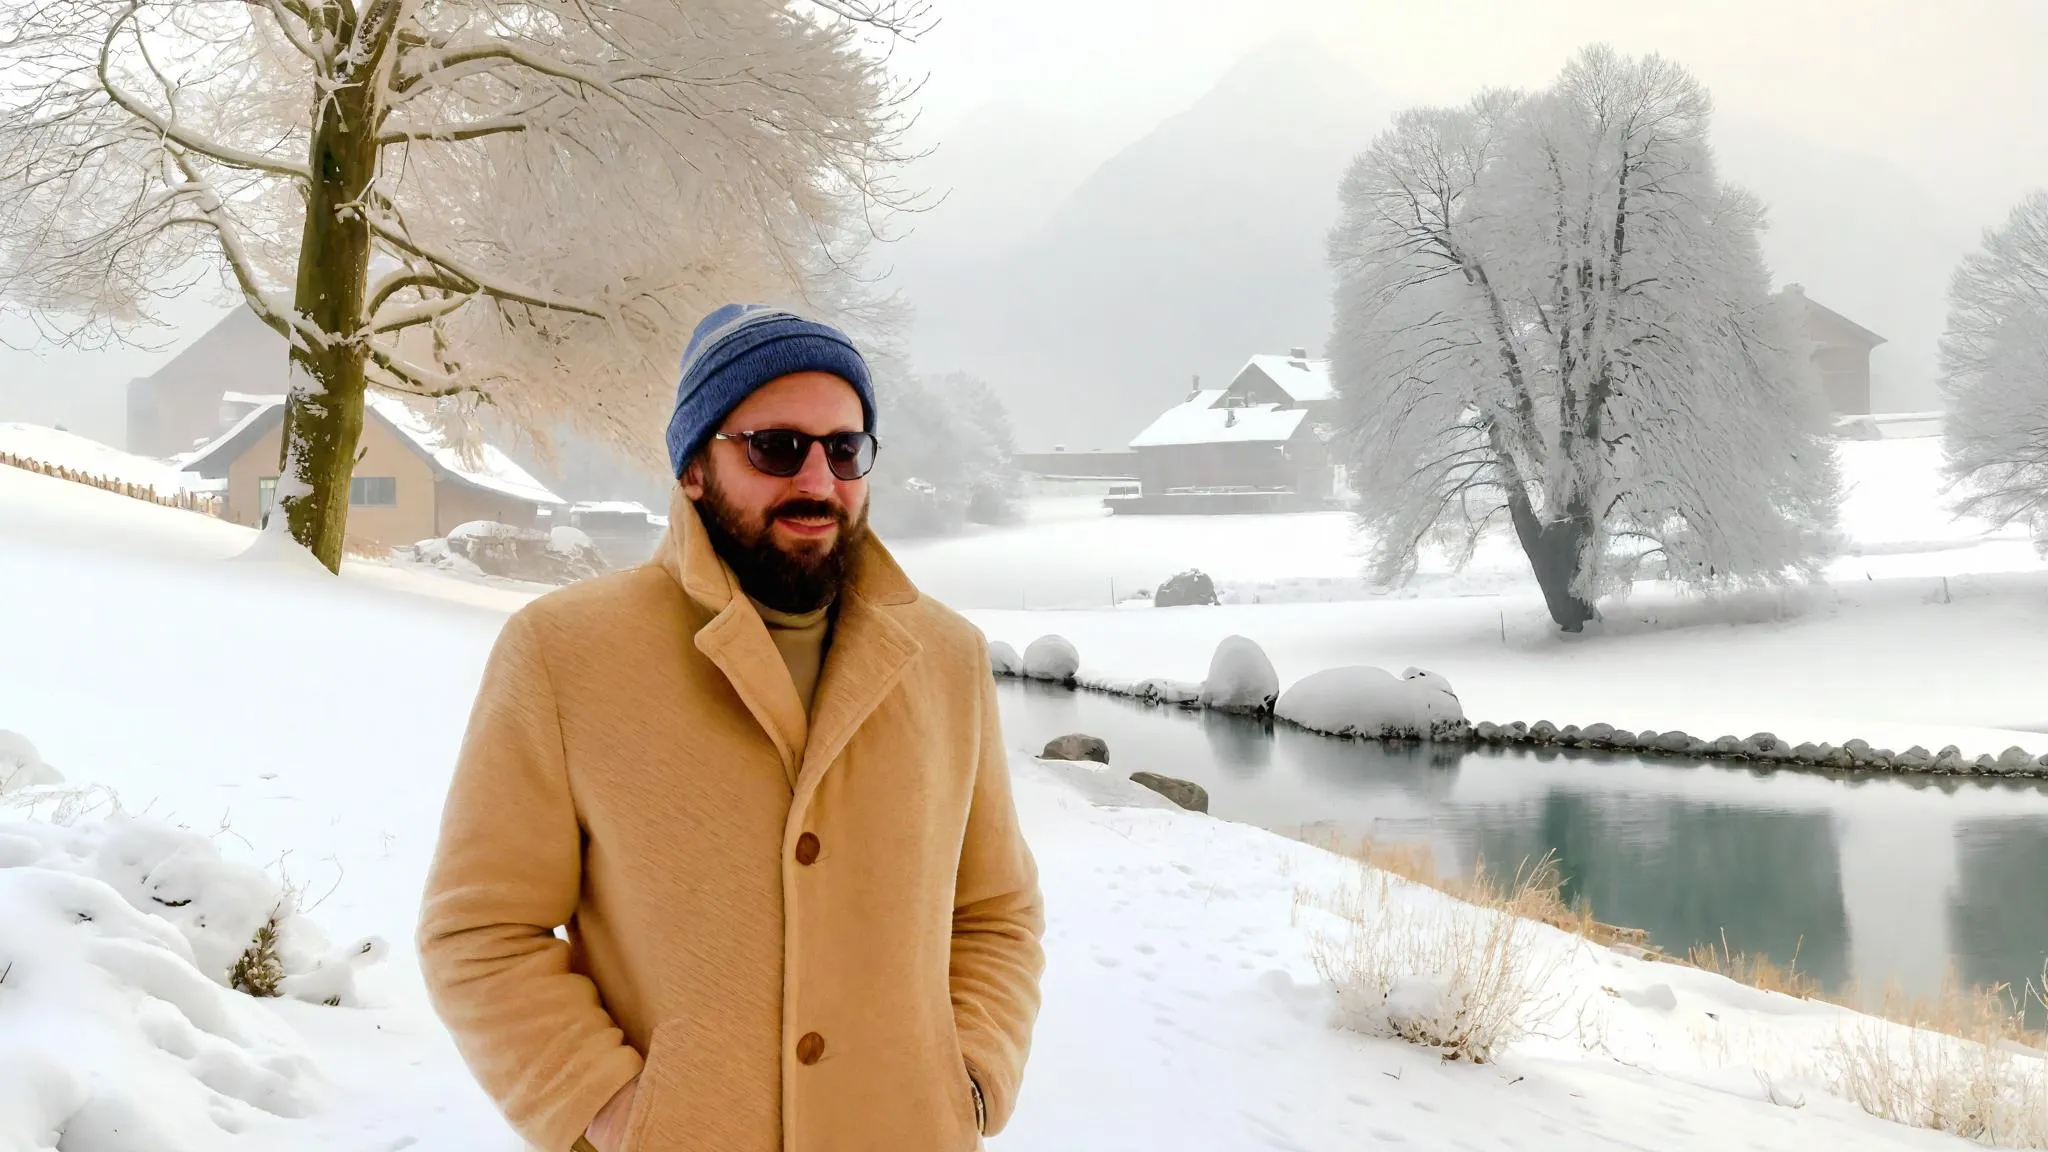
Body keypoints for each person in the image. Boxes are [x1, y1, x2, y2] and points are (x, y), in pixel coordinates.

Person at [417, 304, 1046, 1152]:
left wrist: (969, 1077)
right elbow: (480, 932)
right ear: (693, 468)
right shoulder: (563, 653)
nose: (818, 480)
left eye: (845, 449)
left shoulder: (949, 658)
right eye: (777, 448)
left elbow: (997, 912)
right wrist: (617, 1112)